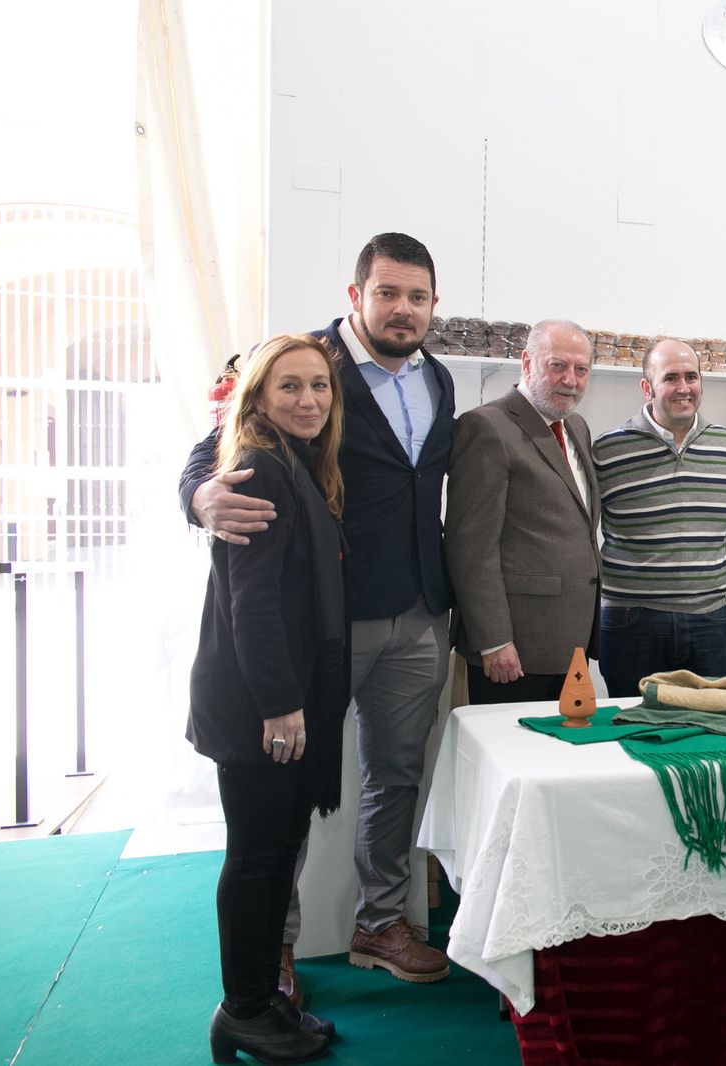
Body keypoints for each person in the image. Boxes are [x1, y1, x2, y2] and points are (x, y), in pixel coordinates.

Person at [181, 233, 455, 992]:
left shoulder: (439, 378)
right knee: (288, 784)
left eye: (418, 296)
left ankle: (380, 922)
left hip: (421, 611)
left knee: (396, 774)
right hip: (329, 622)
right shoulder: (308, 366)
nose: (403, 309)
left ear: (434, 304)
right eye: (388, 293)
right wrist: (201, 498)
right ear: (355, 295)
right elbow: (216, 446)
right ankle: (274, 945)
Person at [189, 333, 348, 1064]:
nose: (309, 400)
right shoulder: (256, 467)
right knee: (256, 859)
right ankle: (245, 1010)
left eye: (319, 386)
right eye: (290, 387)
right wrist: (282, 705)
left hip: (278, 699)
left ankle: (256, 1004)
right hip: (261, 706)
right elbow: (249, 607)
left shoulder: (292, 461)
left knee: (275, 853)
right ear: (256, 394)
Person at [446, 319, 601, 702]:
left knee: (560, 756)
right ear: (527, 362)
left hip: (569, 640)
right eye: (558, 366)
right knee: (513, 757)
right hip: (513, 648)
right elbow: (471, 548)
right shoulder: (486, 428)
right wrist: (494, 640)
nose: (571, 379)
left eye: (581, 370)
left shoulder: (576, 426)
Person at [591, 339, 726, 696]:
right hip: (633, 621)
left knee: (714, 731)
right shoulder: (609, 449)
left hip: (711, 618)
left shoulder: (725, 445)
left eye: (692, 377)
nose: (683, 388)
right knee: (635, 728)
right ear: (647, 387)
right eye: (671, 377)